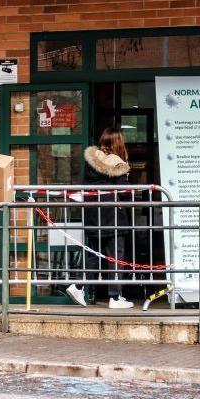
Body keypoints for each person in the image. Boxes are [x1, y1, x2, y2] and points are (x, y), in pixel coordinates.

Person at [65, 128, 134, 309]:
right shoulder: (117, 163)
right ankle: (115, 297)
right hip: (113, 216)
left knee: (94, 254)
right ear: (118, 143)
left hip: (93, 215)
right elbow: (124, 192)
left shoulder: (92, 161)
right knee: (115, 257)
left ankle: (78, 286)